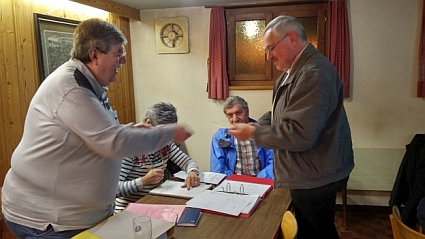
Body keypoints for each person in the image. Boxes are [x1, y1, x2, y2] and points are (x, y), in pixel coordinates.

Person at [1, 18, 192, 239]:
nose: (124, 60)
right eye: (118, 53)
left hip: (82, 215)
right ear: (94, 54)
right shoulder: (71, 89)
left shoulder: (89, 84)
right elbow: (114, 143)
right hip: (49, 221)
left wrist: (131, 128)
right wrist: (169, 132)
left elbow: (96, 132)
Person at [228, 16, 354, 239]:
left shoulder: (314, 73)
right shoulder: (291, 73)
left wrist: (254, 133)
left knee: (317, 233)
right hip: (307, 173)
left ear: (292, 38)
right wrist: (255, 124)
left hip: (315, 176)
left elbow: (299, 134)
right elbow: (280, 115)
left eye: (271, 48)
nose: (268, 57)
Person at [115, 102, 200, 213]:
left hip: (154, 204)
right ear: (148, 123)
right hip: (128, 210)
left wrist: (192, 172)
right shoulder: (130, 147)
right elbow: (114, 189)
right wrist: (143, 181)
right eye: (163, 133)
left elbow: (187, 162)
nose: (167, 139)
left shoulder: (165, 143)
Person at [210, 96, 274, 179]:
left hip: (262, 182)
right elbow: (218, 169)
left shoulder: (262, 132)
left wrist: (259, 181)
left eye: (239, 113)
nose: (235, 119)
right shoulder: (219, 137)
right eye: (230, 115)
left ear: (247, 112)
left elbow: (274, 163)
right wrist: (237, 182)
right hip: (233, 184)